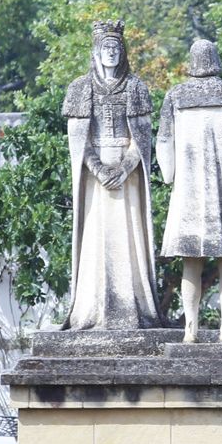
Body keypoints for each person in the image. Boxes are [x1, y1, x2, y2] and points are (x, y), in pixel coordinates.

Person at [155, 39, 222, 342]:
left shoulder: (176, 95)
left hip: (189, 193)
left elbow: (163, 141)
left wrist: (169, 176)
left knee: (191, 265)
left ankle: (191, 331)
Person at [62, 19, 161, 329]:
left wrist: (126, 167)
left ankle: (134, 308)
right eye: (105, 47)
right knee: (96, 240)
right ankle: (92, 309)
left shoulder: (135, 88)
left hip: (127, 177)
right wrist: (98, 169)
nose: (111, 53)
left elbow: (143, 139)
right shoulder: (80, 88)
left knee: (129, 239)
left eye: (116, 47)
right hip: (95, 181)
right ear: (96, 51)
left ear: (123, 52)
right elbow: (78, 141)